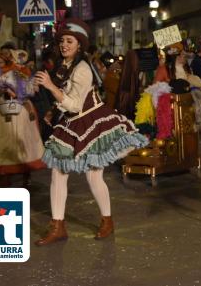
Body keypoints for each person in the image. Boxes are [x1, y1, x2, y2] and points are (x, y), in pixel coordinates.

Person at [34, 18, 148, 246]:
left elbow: (76, 104)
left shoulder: (83, 68)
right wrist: (53, 111)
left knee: (93, 175)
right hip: (71, 123)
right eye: (62, 41)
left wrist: (50, 87)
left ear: (79, 45)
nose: (64, 45)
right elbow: (68, 98)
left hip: (92, 123)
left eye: (69, 41)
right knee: (58, 171)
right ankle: (58, 226)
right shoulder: (65, 66)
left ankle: (107, 220)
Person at [0, 49, 45, 184]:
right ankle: (6, 174)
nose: (0, 65)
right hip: (6, 111)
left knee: (24, 140)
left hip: (22, 111)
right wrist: (2, 89)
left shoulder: (23, 72)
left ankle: (26, 173)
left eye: (2, 62)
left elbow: (31, 91)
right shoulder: (0, 74)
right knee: (5, 141)